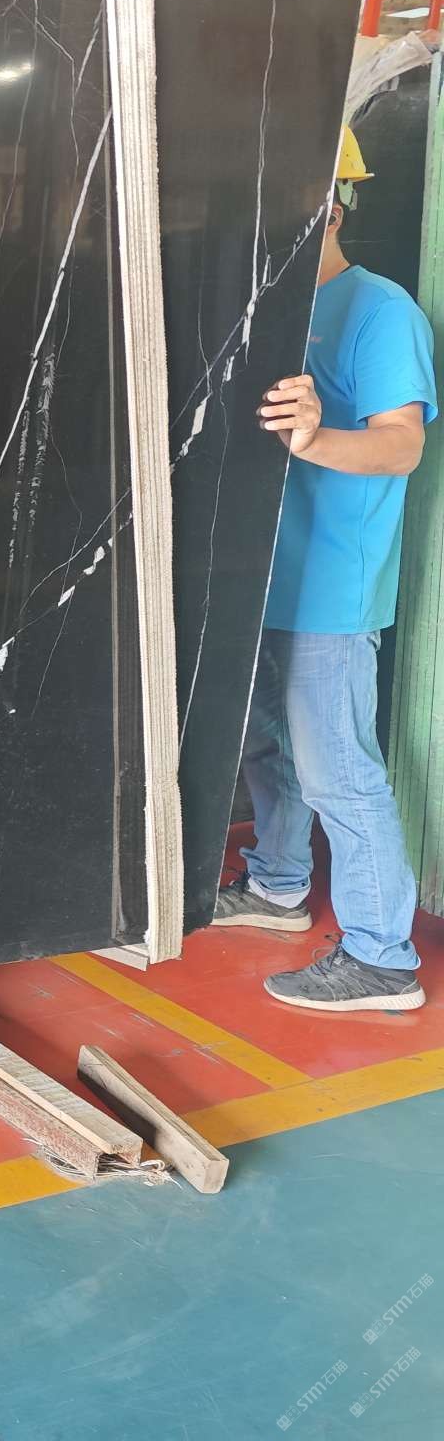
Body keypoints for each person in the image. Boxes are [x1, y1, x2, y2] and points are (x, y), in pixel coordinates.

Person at [210, 126, 434, 1013]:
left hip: (332, 586)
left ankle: (382, 958)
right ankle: (277, 883)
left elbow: (401, 445)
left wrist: (312, 438)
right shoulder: (262, 309)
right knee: (266, 745)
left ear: (332, 208)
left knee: (338, 765)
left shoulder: (380, 312)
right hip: (260, 575)